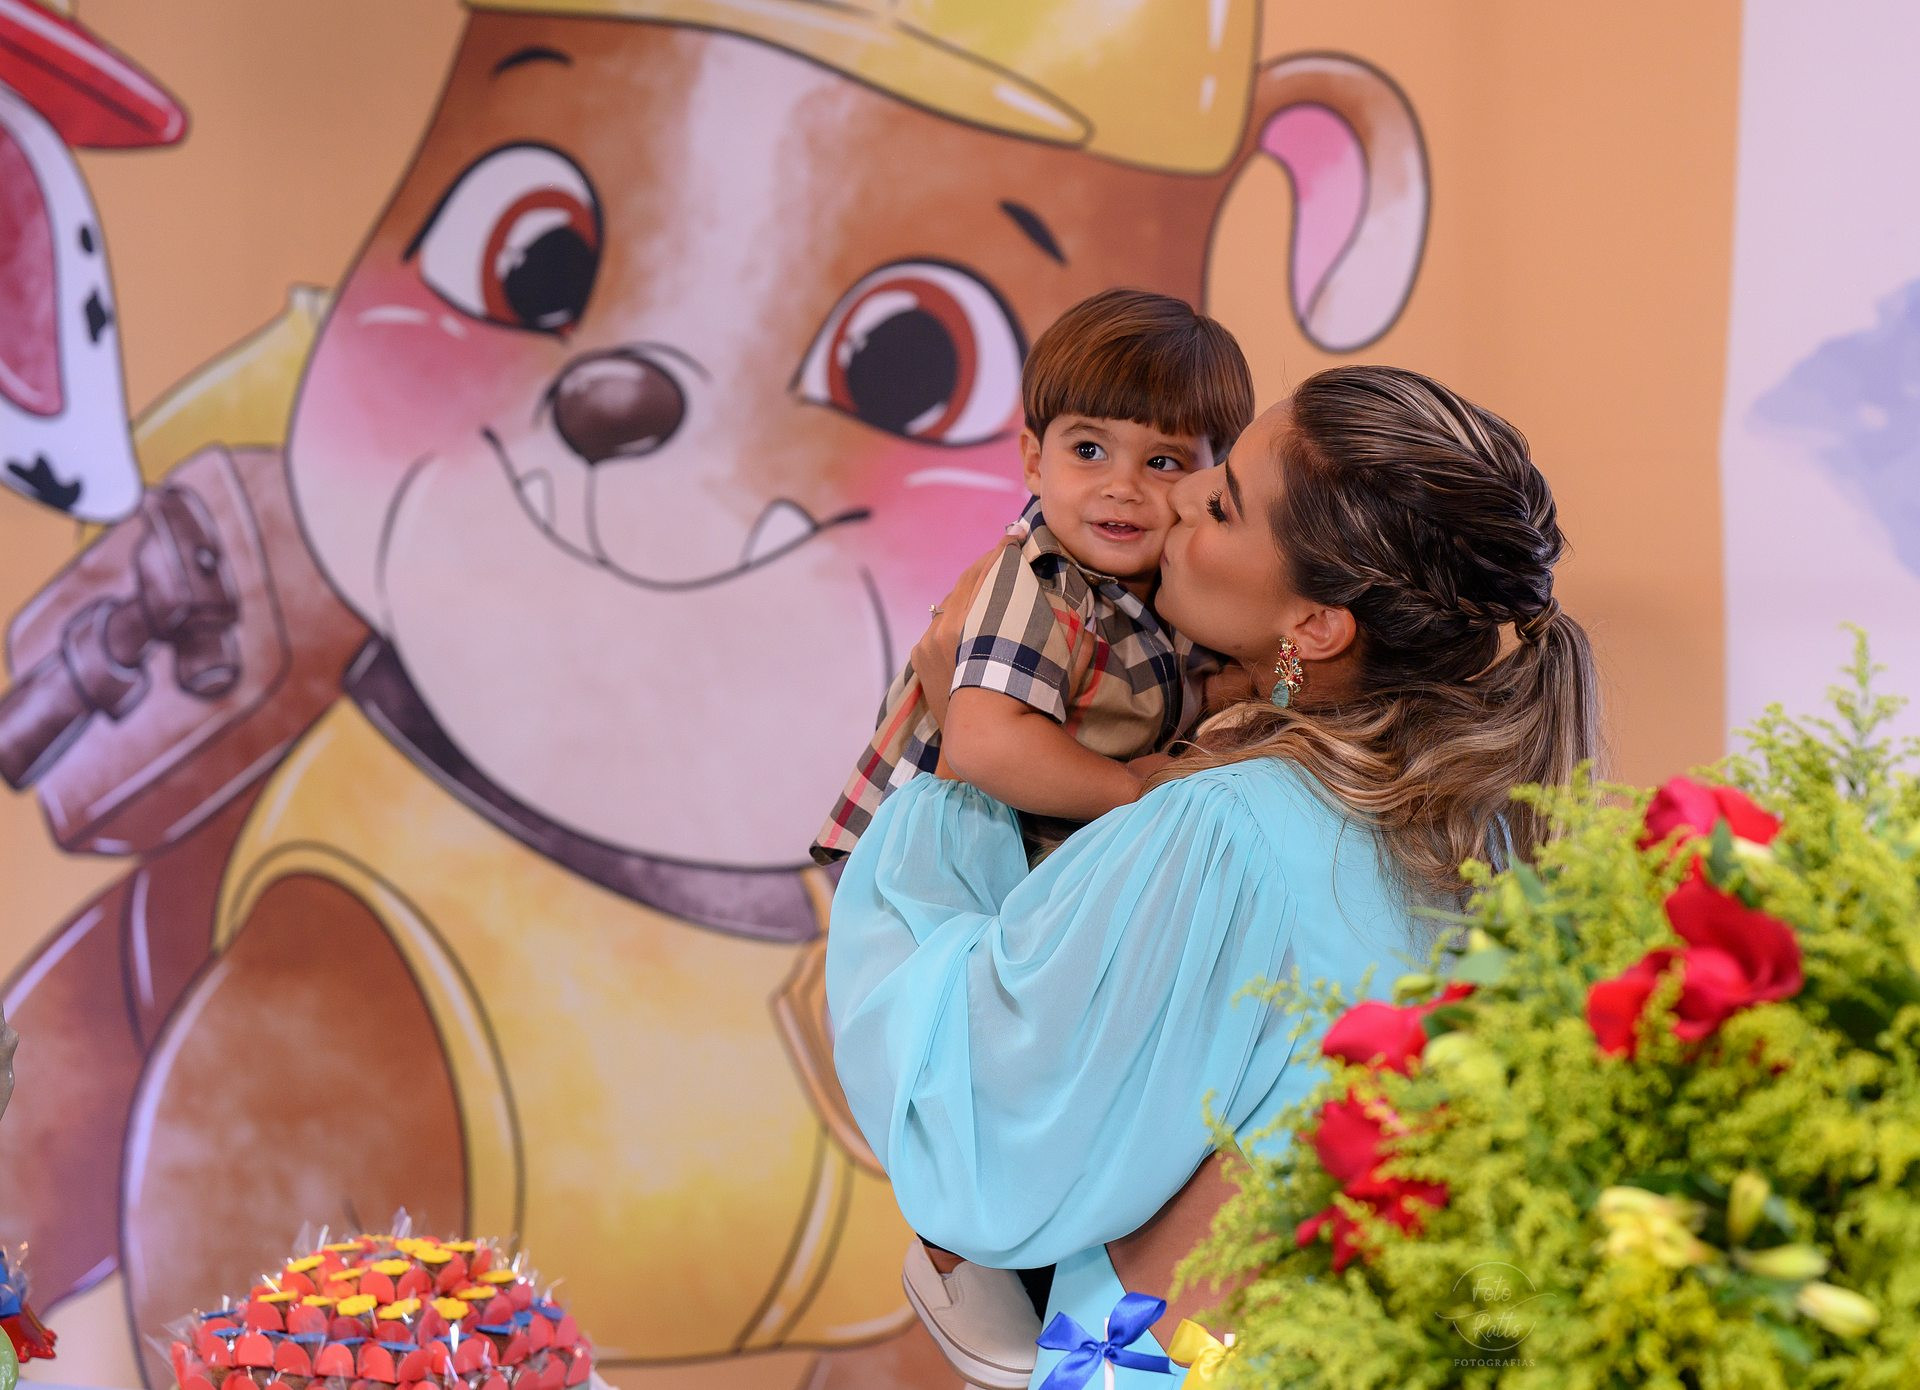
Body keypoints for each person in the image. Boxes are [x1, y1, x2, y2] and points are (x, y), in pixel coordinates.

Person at [827, 365, 1600, 1387]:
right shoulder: (1499, 844)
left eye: (1224, 501)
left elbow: (980, 1143)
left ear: (1315, 626)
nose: (1180, 495)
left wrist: (951, 775)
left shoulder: (1224, 830)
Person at [811, 288, 1255, 867]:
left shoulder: (1173, 584)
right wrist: (1132, 791)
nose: (1122, 487)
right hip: (933, 866)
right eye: (1089, 450)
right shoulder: (1039, 583)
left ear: (1213, 478)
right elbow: (985, 743)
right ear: (1033, 461)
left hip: (1035, 865)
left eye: (1162, 462)